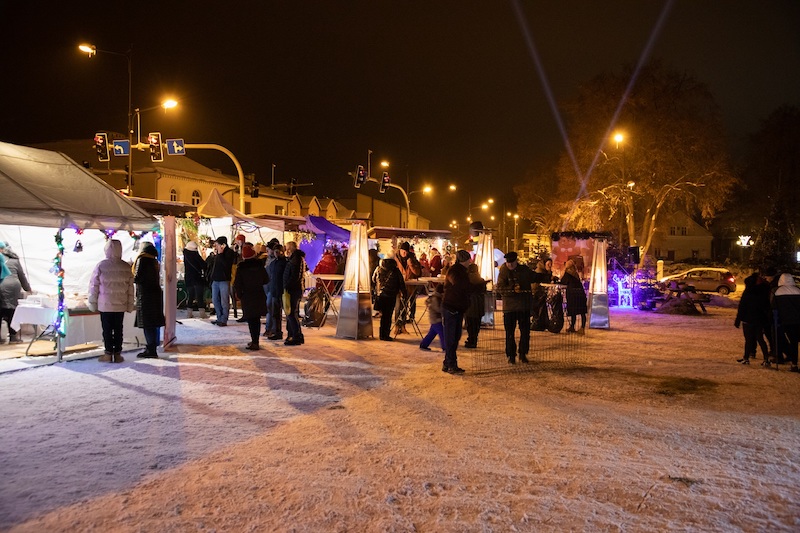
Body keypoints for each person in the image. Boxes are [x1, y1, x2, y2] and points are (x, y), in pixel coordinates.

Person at [87, 239, 135, 363]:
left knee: (107, 330)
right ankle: (118, 354)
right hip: (120, 304)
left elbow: (94, 286)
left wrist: (92, 303)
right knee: (119, 329)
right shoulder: (126, 266)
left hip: (105, 305)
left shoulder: (101, 265)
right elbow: (131, 289)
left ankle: (108, 354)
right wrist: (130, 305)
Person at [496, 251, 534, 363]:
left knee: (525, 332)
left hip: (523, 307)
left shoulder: (524, 270)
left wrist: (547, 276)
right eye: (508, 263)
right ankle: (511, 355)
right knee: (510, 333)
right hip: (510, 308)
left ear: (516, 261)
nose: (510, 265)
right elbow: (500, 288)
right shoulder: (503, 272)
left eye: (512, 262)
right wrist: (512, 289)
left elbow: (534, 276)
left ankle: (523, 353)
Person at [234, 244, 269, 351]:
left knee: (251, 319)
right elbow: (266, 280)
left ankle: (254, 341)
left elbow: (237, 284)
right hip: (258, 294)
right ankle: (255, 341)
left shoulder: (241, 268)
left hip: (247, 296)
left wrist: (239, 295)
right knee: (256, 319)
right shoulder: (259, 266)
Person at [441, 249, 472, 374]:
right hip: (451, 307)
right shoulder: (454, 271)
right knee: (451, 338)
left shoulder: (461, 271)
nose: (469, 262)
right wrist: (476, 287)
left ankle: (447, 363)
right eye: (468, 260)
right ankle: (451, 364)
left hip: (457, 307)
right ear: (464, 260)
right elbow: (460, 286)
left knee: (455, 337)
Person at [133, 242, 165, 359]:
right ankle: (153, 347)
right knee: (154, 323)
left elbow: (138, 277)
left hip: (145, 296)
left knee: (148, 324)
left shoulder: (142, 260)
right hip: (155, 294)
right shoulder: (154, 261)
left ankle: (150, 348)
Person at [734, 271, 772, 364]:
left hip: (748, 319)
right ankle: (766, 359)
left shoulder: (748, 292)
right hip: (759, 318)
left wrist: (738, 319)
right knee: (760, 339)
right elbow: (766, 305)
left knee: (749, 339)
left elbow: (742, 306)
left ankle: (746, 358)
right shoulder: (764, 291)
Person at [0, 241, 31, 344]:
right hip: (13, 286)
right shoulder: (14, 260)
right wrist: (27, 289)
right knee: (12, 311)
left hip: (1, 284)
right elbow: (22, 276)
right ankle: (13, 337)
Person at [771, 272, 800, 372]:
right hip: (797, 321)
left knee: (785, 340)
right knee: (795, 342)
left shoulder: (778, 292)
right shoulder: (798, 291)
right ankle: (795, 363)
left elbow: (774, 308)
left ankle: (790, 360)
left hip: (784, 321)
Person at [374, 258, 406, 341]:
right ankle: (386, 335)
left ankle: (381, 334)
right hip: (390, 295)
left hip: (380, 295)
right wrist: (404, 294)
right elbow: (401, 283)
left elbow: (373, 279)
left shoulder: (378, 269)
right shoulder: (395, 271)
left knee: (383, 316)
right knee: (388, 316)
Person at [394, 242, 422, 333]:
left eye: (406, 251)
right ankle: (397, 326)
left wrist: (411, 264)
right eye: (403, 251)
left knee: (405, 306)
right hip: (398, 286)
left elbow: (418, 273)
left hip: (409, 287)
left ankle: (403, 326)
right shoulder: (395, 258)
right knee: (398, 306)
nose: (405, 253)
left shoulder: (412, 259)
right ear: (400, 250)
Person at [209, 236, 236, 326]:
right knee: (215, 299)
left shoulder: (229, 253)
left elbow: (226, 265)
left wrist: (220, 254)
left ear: (222, 245)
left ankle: (224, 319)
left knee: (224, 300)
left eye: (217, 244)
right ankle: (219, 317)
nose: (215, 246)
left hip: (224, 280)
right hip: (215, 279)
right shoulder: (217, 253)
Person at [283, 241, 306, 346]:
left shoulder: (296, 259)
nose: (286, 250)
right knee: (292, 313)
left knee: (291, 313)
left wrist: (287, 285)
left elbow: (295, 276)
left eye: (287, 247)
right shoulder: (296, 258)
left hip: (293, 289)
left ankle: (296, 336)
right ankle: (297, 335)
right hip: (295, 289)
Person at [464, 263, 489, 348]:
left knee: (469, 323)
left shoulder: (466, 279)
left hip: (470, 303)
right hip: (479, 303)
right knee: (476, 323)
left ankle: (471, 339)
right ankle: (474, 339)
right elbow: (484, 291)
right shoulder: (481, 280)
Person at [265, 244, 287, 340]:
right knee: (275, 313)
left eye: (278, 251)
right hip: (274, 290)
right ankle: (276, 331)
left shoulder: (285, 263)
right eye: (275, 251)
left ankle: (278, 331)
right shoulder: (274, 263)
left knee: (281, 313)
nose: (277, 253)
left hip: (281, 290)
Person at [561, 259, 587, 333]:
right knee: (582, 312)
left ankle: (572, 326)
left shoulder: (567, 273)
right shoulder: (576, 274)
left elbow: (563, 282)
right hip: (580, 293)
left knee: (573, 311)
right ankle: (582, 327)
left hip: (572, 294)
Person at [182, 241, 207, 319]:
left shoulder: (185, 255)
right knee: (199, 296)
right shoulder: (195, 255)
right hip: (197, 278)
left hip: (188, 278)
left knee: (190, 296)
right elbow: (204, 265)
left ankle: (189, 313)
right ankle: (202, 314)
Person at [420, 284, 445, 351]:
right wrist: (444, 310)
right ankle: (445, 347)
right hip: (436, 319)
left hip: (434, 319)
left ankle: (424, 344)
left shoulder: (436, 297)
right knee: (442, 333)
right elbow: (437, 309)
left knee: (432, 333)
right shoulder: (436, 298)